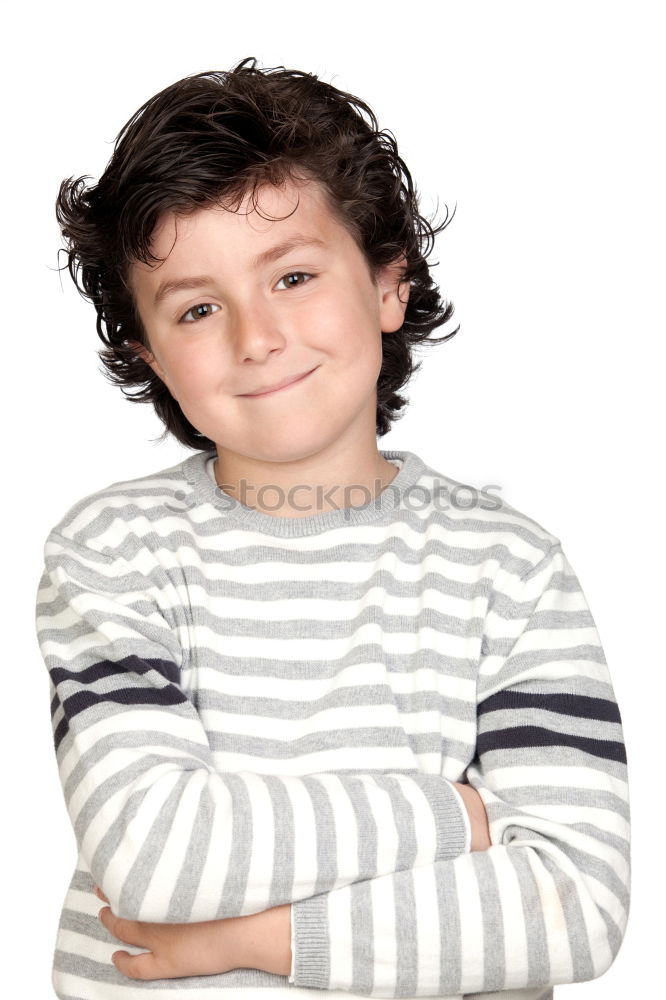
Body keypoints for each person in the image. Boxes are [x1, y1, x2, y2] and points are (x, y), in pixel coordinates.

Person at [35, 56, 631, 1000]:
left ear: (389, 284)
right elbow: (154, 851)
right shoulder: (112, 553)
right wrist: (459, 820)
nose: (255, 336)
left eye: (295, 275)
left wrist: (250, 940)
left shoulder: (507, 566)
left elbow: (575, 901)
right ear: (150, 355)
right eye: (198, 307)